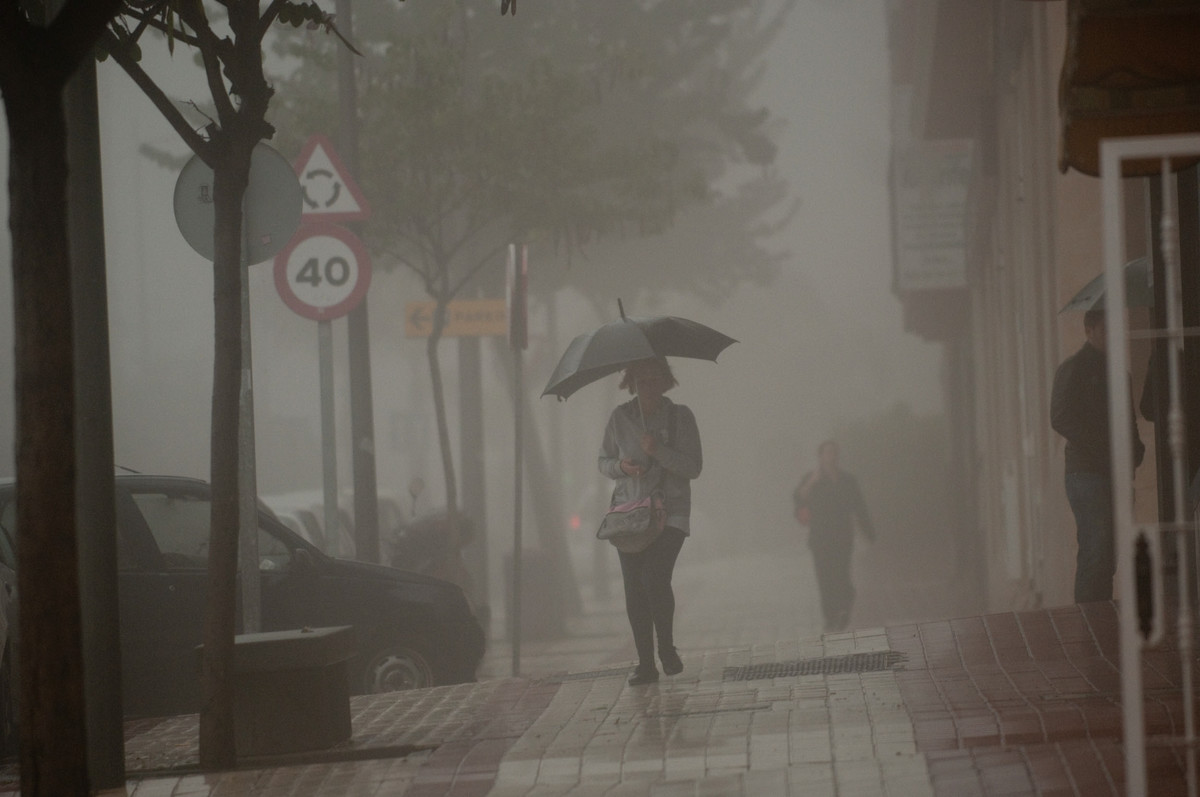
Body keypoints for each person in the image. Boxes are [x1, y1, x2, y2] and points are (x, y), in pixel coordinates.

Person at [598, 357, 702, 685]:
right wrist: (622, 467)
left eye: (654, 379)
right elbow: (603, 461)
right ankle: (645, 664)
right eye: (641, 380)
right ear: (631, 383)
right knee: (634, 588)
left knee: (654, 577)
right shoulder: (620, 418)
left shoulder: (681, 416)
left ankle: (666, 649)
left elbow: (693, 467)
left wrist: (658, 451)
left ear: (665, 380)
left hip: (671, 512)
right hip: (631, 513)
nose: (648, 386)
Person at [1050, 308, 1145, 603]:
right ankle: (1089, 615)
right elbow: (1060, 417)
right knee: (1097, 545)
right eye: (1106, 330)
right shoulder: (1074, 369)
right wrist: (1100, 444)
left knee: (1110, 548)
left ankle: (1099, 613)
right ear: (1089, 331)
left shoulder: (1119, 374)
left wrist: (1135, 449)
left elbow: (1129, 420)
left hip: (1114, 470)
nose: (1112, 337)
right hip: (1086, 472)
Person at [793, 440, 874, 632]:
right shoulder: (812, 479)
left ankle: (844, 608)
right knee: (825, 578)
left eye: (834, 452)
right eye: (827, 452)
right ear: (820, 456)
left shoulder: (848, 480)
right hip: (820, 538)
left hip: (843, 536)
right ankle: (830, 617)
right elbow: (799, 498)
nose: (831, 456)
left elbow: (859, 506)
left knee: (842, 576)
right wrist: (811, 483)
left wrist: (869, 533)